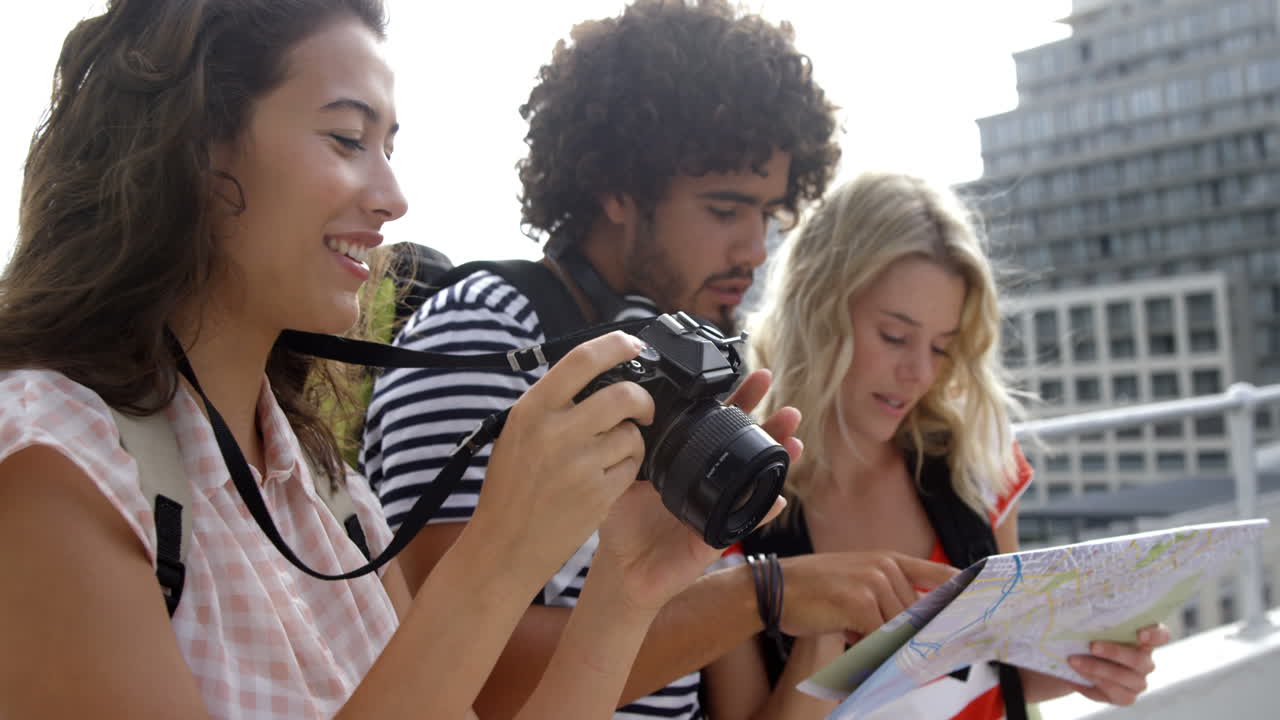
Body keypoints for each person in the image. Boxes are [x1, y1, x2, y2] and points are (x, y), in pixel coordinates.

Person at [0, 1, 792, 717]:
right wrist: (497, 557)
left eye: (389, 146)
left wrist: (626, 593)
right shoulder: (54, 460)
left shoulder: (333, 498)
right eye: (348, 138)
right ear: (191, 150)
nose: (392, 195)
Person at [361, 3, 957, 719]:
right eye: (724, 209)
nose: (754, 249)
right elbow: (464, 682)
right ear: (618, 188)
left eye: (767, 214)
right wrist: (766, 593)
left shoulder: (680, 359)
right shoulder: (482, 332)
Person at [707, 170, 1171, 720]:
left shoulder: (974, 468)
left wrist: (1091, 665)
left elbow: (993, 671)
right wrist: (823, 628)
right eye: (895, 337)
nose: (919, 373)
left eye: (943, 347)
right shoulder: (732, 504)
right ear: (816, 311)